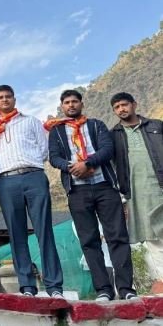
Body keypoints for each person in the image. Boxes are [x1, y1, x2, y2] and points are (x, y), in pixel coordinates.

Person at [47, 89, 136, 301]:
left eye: (74, 101)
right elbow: (54, 158)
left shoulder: (96, 125)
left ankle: (126, 289)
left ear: (81, 104)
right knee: (89, 241)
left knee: (117, 237)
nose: (71, 105)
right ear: (62, 106)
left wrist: (87, 163)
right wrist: (73, 168)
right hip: (77, 190)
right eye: (67, 102)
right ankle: (103, 289)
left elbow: (107, 149)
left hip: (105, 186)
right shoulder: (56, 131)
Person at [0, 84, 63, 298]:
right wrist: (3, 172)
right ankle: (27, 286)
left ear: (14, 99)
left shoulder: (30, 121)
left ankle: (54, 286)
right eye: (0, 97)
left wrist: (31, 163)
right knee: (16, 233)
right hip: (6, 180)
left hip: (33, 176)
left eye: (8, 96)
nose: (5, 100)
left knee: (44, 230)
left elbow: (44, 149)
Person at [110, 92, 163, 294]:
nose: (121, 109)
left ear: (134, 104)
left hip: (159, 186)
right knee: (151, 238)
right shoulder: (113, 135)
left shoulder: (156, 126)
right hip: (136, 193)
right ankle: (161, 281)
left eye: (124, 105)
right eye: (117, 107)